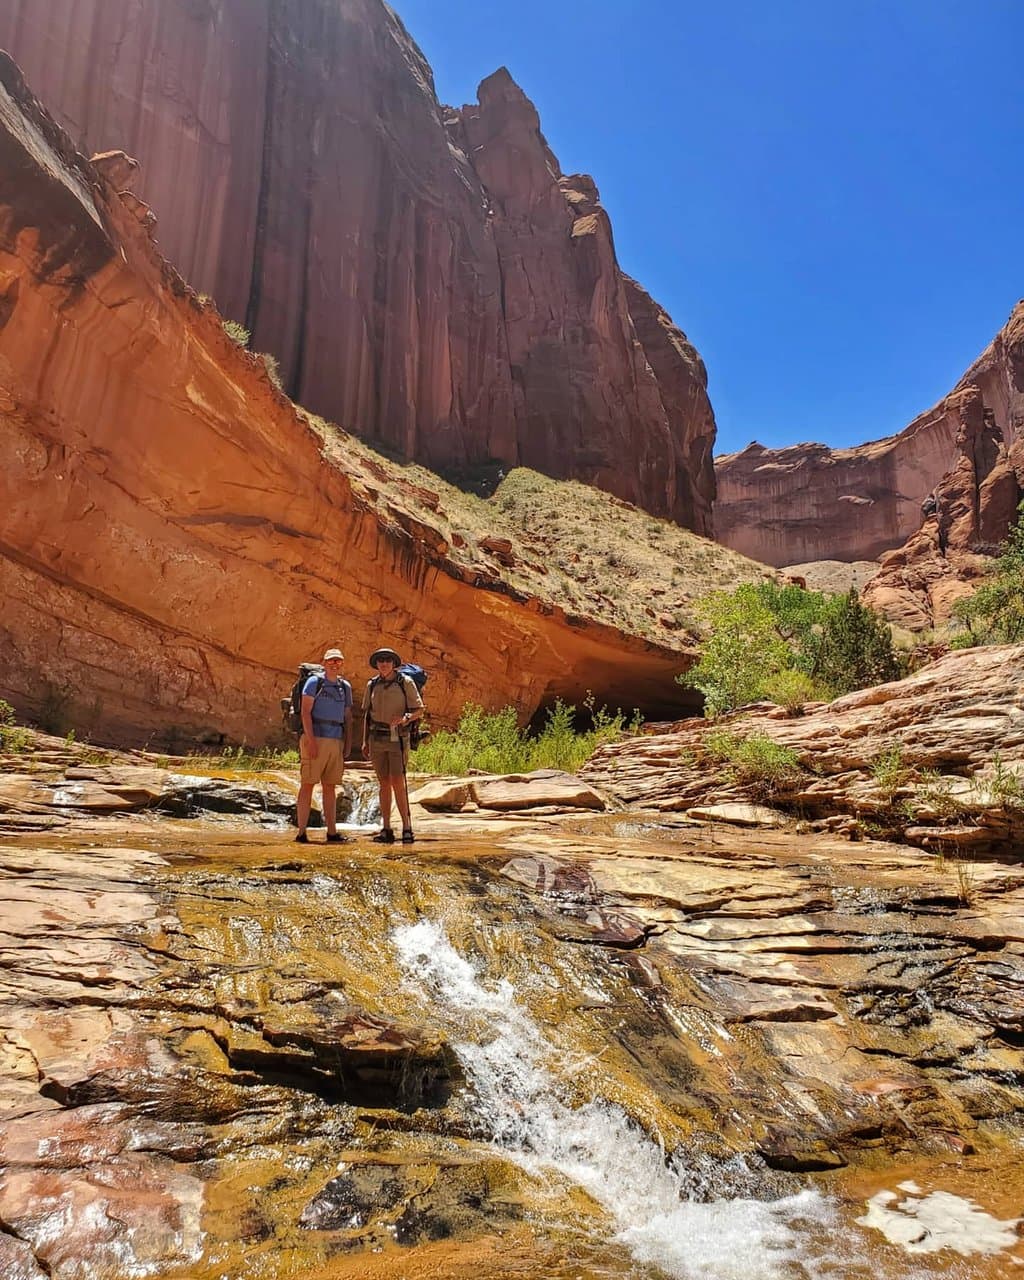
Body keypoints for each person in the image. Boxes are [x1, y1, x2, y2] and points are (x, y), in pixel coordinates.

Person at [361, 647, 423, 844]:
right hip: (376, 739)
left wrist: (405, 718)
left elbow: (419, 709)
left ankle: (406, 827)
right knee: (383, 784)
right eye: (381, 661)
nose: (384, 663)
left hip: (398, 738)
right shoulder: (372, 684)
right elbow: (366, 715)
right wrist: (364, 741)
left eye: (388, 660)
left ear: (394, 663)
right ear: (377, 664)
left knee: (397, 782)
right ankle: (386, 828)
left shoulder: (405, 682)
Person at [295, 648, 353, 844]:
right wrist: (311, 741)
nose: (334, 664)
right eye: (331, 661)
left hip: (336, 739)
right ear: (324, 662)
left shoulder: (344, 687)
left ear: (342, 663)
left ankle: (332, 832)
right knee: (308, 784)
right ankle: (301, 833)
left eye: (338, 661)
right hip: (316, 737)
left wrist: (348, 743)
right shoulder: (314, 683)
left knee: (330, 786)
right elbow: (305, 712)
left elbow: (347, 717)